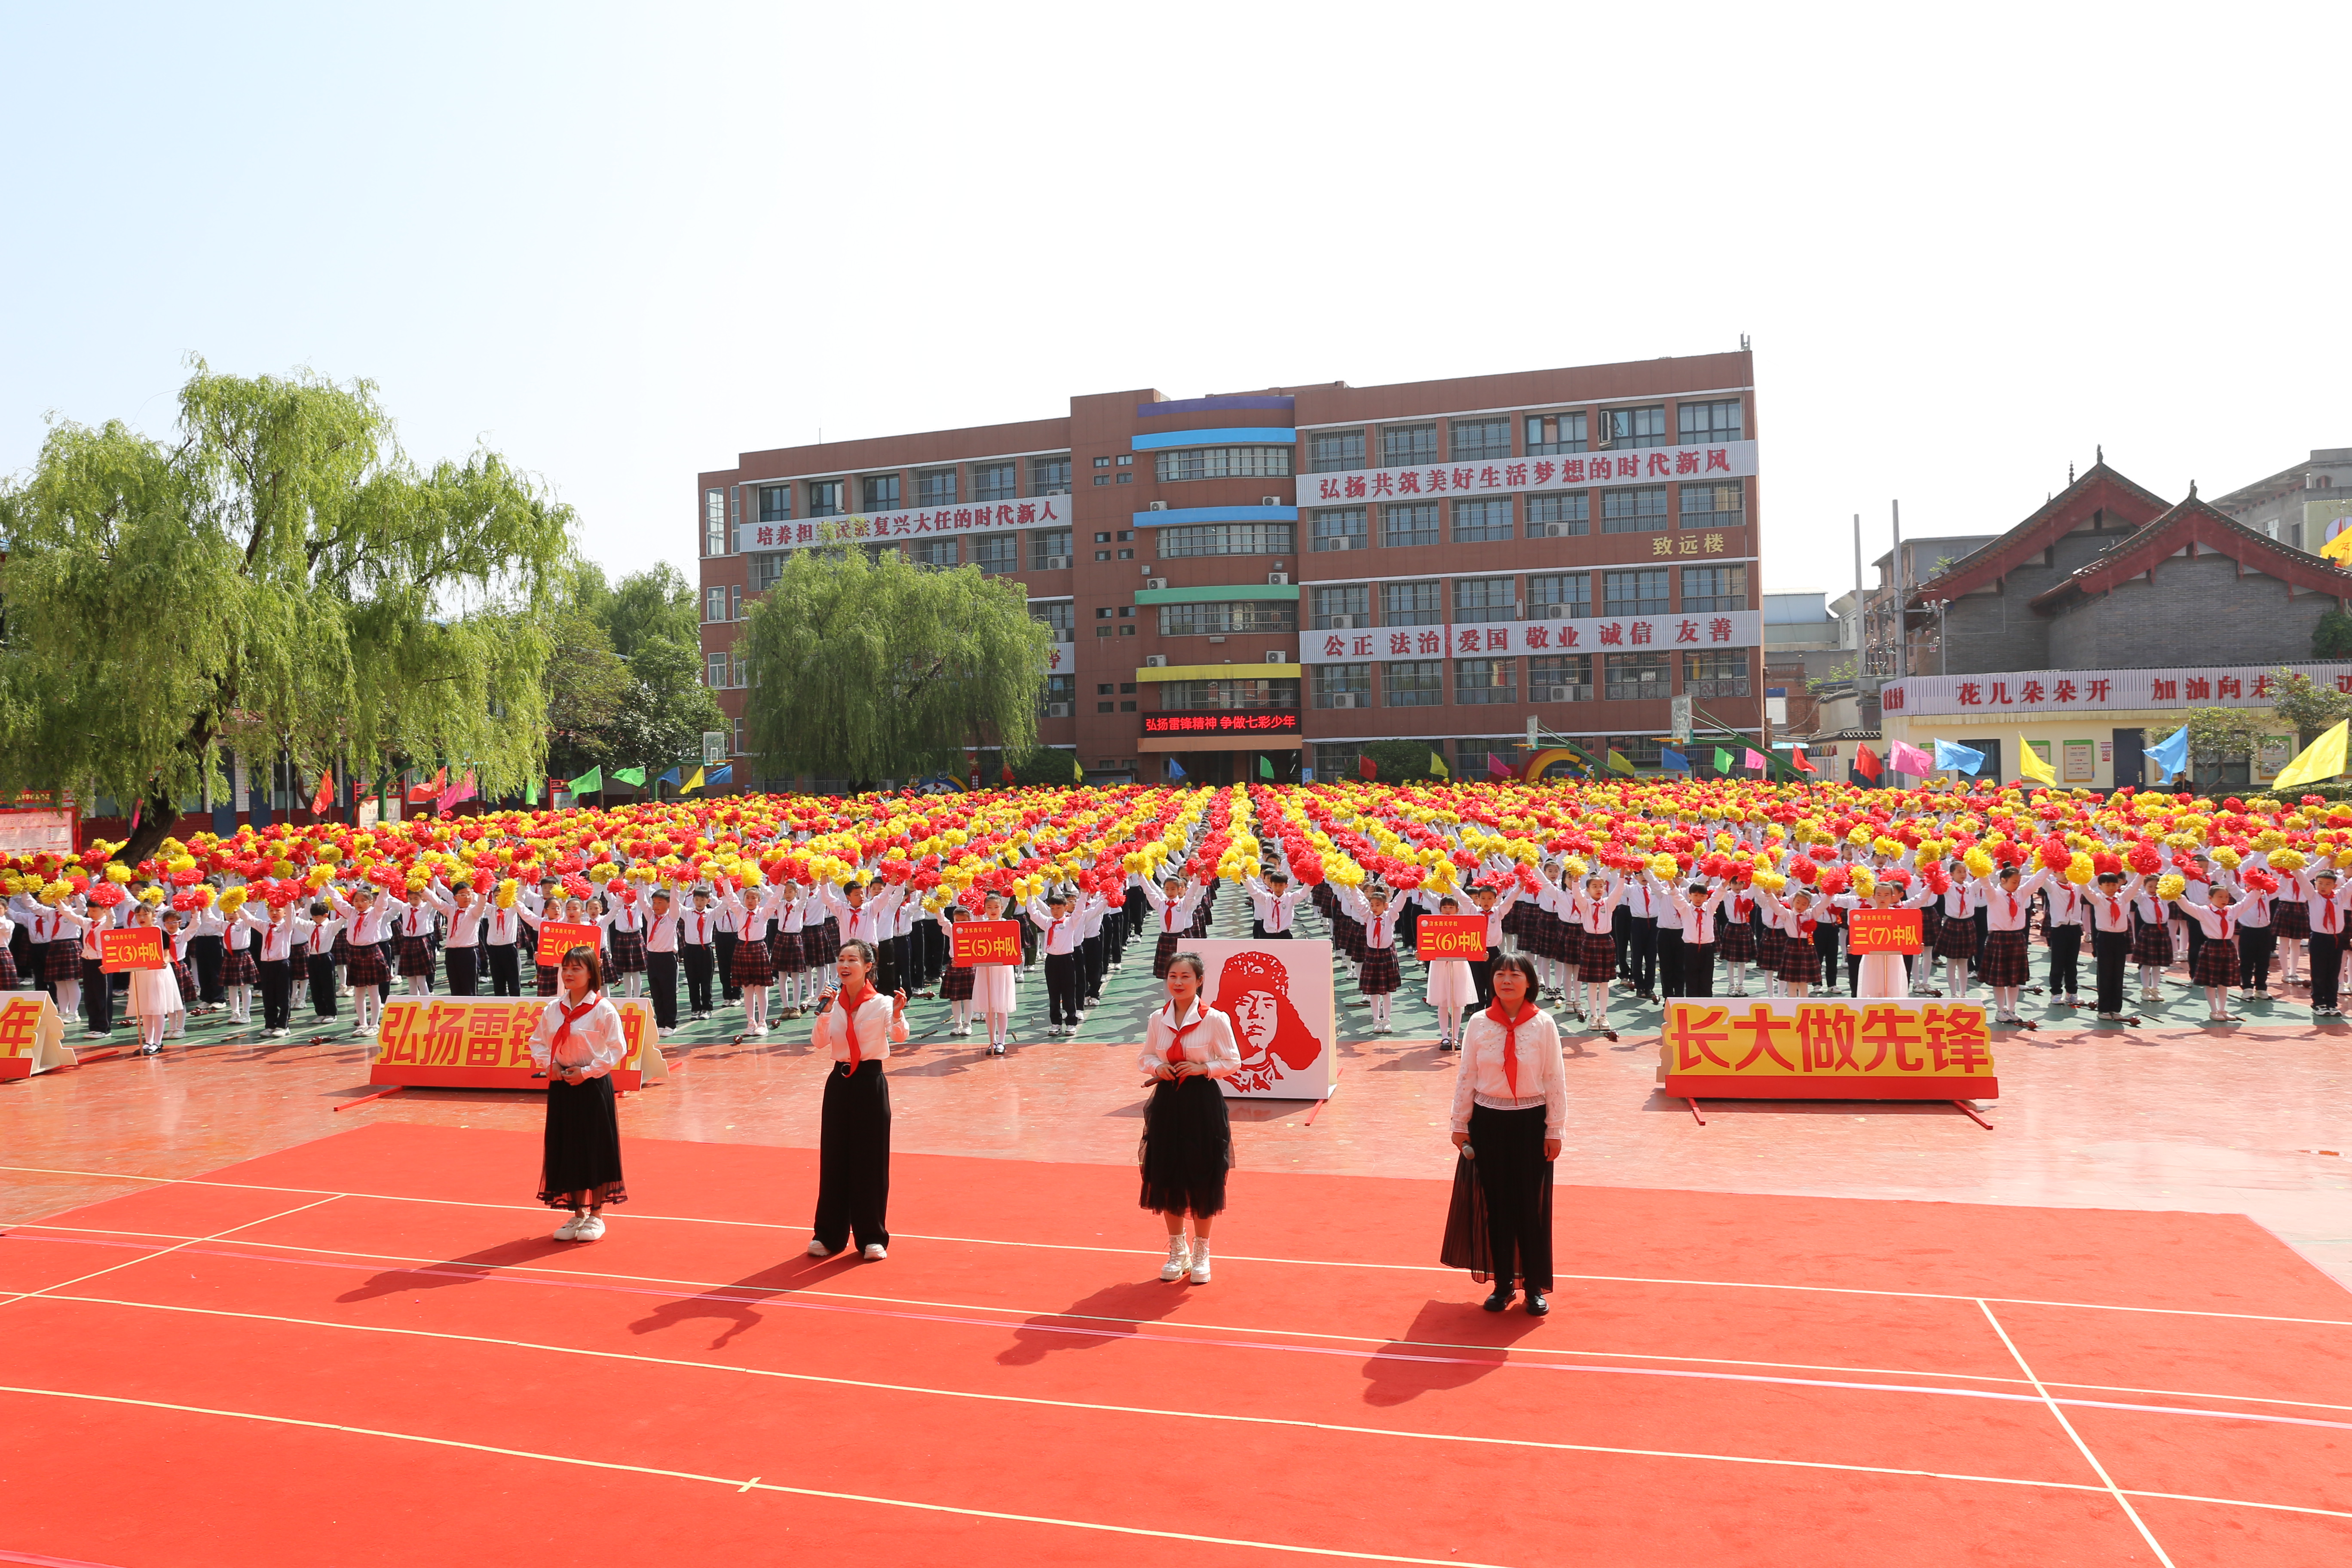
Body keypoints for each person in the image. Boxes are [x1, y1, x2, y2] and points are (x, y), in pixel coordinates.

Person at [1442, 956, 1565, 1318]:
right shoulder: (1479, 1023)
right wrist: (1459, 1124)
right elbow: (1467, 1075)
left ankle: (1534, 1286)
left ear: (1530, 982)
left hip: (1530, 1124)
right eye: (1500, 974)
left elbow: (1555, 1079)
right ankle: (1503, 1284)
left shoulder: (1544, 1024)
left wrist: (1554, 1129)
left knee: (1530, 1206)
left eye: (1515, 974)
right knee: (1496, 1207)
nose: (1506, 980)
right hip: (1488, 1123)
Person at [1137, 951, 1239, 1285]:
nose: (1178, 983)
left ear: (1199, 982)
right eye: (1173, 977)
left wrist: (1203, 1068)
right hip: (1168, 1102)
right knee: (1166, 1174)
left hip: (1202, 1103)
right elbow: (1146, 1056)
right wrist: (1158, 1067)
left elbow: (1233, 1061)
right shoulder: (1158, 1018)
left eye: (1185, 977)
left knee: (1203, 1175)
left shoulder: (1215, 1019)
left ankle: (1201, 1252)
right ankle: (1176, 1251)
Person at [808, 939, 907, 1261]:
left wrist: (897, 1015)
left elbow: (900, 1036)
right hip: (839, 1082)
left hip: (869, 1082)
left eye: (853, 959)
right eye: (841, 959)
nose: (845, 965)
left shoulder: (881, 1003)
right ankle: (828, 1235)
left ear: (868, 967)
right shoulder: (832, 1004)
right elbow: (819, 1043)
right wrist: (823, 1012)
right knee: (834, 1158)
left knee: (870, 1161)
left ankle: (871, 1237)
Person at [528, 945, 630, 1241]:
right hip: (562, 1085)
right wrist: (552, 1065)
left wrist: (586, 1072)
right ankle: (577, 1215)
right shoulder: (553, 1009)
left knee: (594, 1148)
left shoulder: (602, 1009)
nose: (569, 974)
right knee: (566, 1147)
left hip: (592, 1086)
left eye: (577, 969)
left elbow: (617, 1049)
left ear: (591, 973)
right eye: (566, 969)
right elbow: (538, 1042)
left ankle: (597, 1215)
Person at [1334, 881, 1404, 1033]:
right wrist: (1352, 886)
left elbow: (1398, 903)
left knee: (1387, 992)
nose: (1374, 908)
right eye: (1372, 905)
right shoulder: (1367, 916)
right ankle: (1376, 1020)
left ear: (1385, 906)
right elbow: (1359, 902)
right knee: (1374, 992)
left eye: (1378, 905)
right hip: (1372, 955)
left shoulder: (1390, 916)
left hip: (1386, 955)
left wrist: (1405, 890)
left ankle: (1387, 1020)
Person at [1416, 893, 1476, 1050]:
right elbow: (1426, 942)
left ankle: (1456, 1037)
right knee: (1442, 1002)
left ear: (1457, 909)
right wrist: (1420, 953)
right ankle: (1444, 1037)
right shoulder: (1433, 924)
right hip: (1439, 964)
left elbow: (1472, 942)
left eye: (1451, 907)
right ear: (1440, 909)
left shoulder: (1464, 923)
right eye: (1445, 907)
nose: (1448, 910)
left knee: (1457, 1003)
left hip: (1459, 965)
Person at [123, 904, 183, 1057]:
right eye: (139, 915)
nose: (142, 918)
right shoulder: (133, 934)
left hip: (157, 972)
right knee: (145, 1009)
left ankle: (158, 1042)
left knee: (157, 1007)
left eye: (145, 914)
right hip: (141, 973)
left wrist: (164, 961)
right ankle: (148, 1041)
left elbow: (167, 954)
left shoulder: (160, 933)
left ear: (153, 915)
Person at [1026, 888, 1084, 1035]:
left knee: (1069, 993)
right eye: (1052, 908)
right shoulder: (1047, 923)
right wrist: (1029, 896)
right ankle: (1055, 1023)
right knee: (1053, 994)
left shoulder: (1070, 922)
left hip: (1067, 960)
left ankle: (1071, 1022)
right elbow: (1033, 914)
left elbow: (1079, 912)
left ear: (1066, 908)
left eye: (1059, 908)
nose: (1055, 911)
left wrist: (1084, 893)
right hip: (1052, 961)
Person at [641, 888, 681, 1032]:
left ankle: (671, 1024)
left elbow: (676, 900)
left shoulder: (672, 917)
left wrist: (675, 882)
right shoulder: (650, 916)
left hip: (667, 958)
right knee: (656, 992)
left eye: (660, 902)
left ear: (668, 905)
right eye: (654, 902)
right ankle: (661, 1022)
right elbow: (642, 900)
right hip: (652, 958)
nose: (656, 906)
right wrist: (639, 881)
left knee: (669, 992)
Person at [679, 888, 717, 1021]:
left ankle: (707, 1007)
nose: (699, 902)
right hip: (690, 950)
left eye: (702, 899)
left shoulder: (711, 913)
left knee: (706, 980)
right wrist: (679, 887)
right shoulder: (688, 913)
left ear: (708, 900)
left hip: (705, 950)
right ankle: (695, 1008)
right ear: (693, 900)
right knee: (692, 981)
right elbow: (676, 903)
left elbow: (725, 905)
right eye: (696, 899)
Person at [304, 901, 343, 1021]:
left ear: (326, 915)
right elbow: (294, 921)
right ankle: (321, 1013)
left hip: (326, 957)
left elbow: (345, 917)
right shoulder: (310, 925)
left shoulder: (332, 926)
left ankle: (331, 1013)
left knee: (328, 986)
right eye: (313, 916)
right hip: (313, 957)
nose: (315, 919)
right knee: (315, 987)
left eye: (317, 916)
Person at [1243, 868, 1304, 940]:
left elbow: (1304, 892)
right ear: (1271, 885)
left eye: (1281, 885)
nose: (1278, 888)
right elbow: (1253, 891)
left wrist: (1311, 879)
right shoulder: (1266, 898)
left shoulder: (1290, 898)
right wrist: (1245, 878)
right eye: (1275, 885)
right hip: (1266, 933)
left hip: (1284, 934)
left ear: (1286, 886)